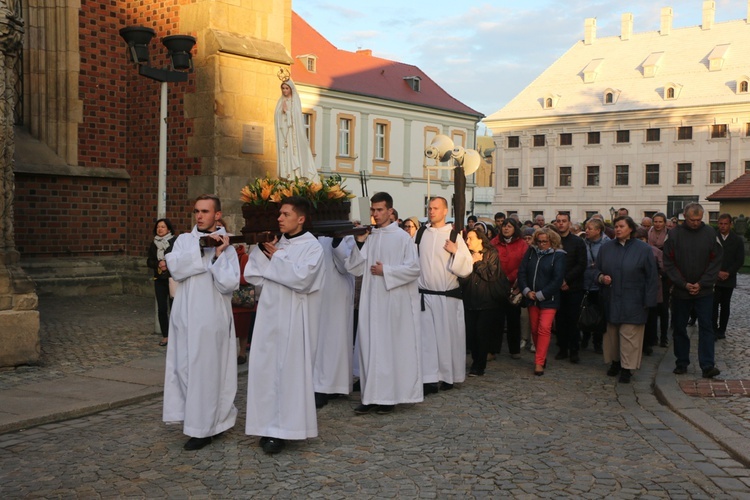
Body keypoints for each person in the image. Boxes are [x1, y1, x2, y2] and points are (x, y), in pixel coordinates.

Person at [245, 196, 325, 454]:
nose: (279, 218)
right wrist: (266, 254)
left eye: (285, 214)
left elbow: (303, 279)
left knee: (288, 373)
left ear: (300, 219)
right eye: (279, 213)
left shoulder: (313, 247)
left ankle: (285, 430)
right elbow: (253, 274)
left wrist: (278, 260)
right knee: (265, 370)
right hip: (269, 314)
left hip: (294, 317)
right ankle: (265, 426)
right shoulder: (272, 243)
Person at [163, 195, 239, 451]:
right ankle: (196, 419)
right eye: (196, 211)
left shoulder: (227, 245)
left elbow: (230, 283)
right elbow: (175, 267)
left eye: (205, 211)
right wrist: (199, 251)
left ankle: (205, 428)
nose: (199, 216)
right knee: (184, 368)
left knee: (207, 372)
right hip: (185, 315)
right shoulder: (185, 240)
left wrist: (216, 257)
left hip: (211, 318)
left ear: (217, 215)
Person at [346, 192, 422, 415]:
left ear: (390, 211)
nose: (375, 214)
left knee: (388, 349)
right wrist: (359, 244)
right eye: (372, 210)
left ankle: (387, 398)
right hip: (371, 302)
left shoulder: (402, 238)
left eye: (379, 210)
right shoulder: (370, 236)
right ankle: (370, 397)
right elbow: (355, 268)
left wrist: (385, 270)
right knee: (370, 347)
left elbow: (414, 269)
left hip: (392, 303)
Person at [417, 197, 472, 394]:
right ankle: (429, 379)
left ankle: (449, 376)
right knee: (427, 340)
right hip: (424, 296)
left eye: (436, 208)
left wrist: (456, 251)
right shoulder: (421, 233)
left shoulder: (454, 235)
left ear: (445, 211)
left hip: (447, 297)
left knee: (448, 338)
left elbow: (466, 267)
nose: (431, 211)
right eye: (429, 208)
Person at [663, 203, 723, 378]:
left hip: (704, 292)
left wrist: (702, 283)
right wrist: (683, 283)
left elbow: (716, 261)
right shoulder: (673, 235)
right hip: (681, 291)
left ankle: (707, 365)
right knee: (680, 327)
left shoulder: (711, 234)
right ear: (684, 216)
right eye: (692, 220)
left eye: (698, 219)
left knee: (707, 327)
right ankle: (681, 362)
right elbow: (668, 263)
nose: (696, 223)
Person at [596, 216, 658, 383]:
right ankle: (615, 363)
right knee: (612, 335)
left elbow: (652, 277)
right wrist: (601, 278)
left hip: (635, 300)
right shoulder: (606, 248)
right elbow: (595, 271)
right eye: (615, 226)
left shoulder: (643, 249)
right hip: (611, 298)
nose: (617, 229)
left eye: (621, 226)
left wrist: (649, 301)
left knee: (630, 336)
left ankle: (627, 368)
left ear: (630, 228)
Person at [313, 234, 356, 408]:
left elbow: (348, 265)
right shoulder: (310, 235)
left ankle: (331, 385)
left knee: (333, 339)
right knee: (320, 339)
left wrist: (337, 240)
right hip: (316, 291)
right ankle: (321, 384)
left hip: (336, 290)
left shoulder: (347, 235)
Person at [517, 227, 566, 376]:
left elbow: (557, 279)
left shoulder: (558, 256)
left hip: (548, 299)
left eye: (545, 242)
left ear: (552, 241)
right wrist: (526, 290)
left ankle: (539, 361)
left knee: (544, 328)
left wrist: (541, 294)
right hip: (531, 298)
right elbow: (522, 271)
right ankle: (541, 354)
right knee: (534, 329)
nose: (542, 244)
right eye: (539, 241)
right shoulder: (531, 252)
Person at [459, 228, 503, 376]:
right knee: (471, 334)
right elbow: (461, 278)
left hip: (486, 301)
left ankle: (479, 365)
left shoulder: (492, 253)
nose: (467, 241)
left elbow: (491, 275)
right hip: (469, 299)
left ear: (480, 239)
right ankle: (474, 360)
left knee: (481, 335)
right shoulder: (466, 254)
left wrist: (478, 263)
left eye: (471, 238)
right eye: (467, 238)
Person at [490, 219, 528, 359]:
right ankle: (493, 349)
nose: (506, 229)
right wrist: (498, 277)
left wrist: (511, 277)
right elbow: (489, 260)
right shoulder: (494, 242)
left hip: (514, 286)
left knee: (513, 320)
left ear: (515, 228)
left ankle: (514, 349)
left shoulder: (522, 244)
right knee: (496, 320)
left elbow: (524, 264)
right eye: (504, 226)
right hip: (496, 285)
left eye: (509, 226)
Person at [553, 212, 587, 364]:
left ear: (569, 223)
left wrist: (567, 280)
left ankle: (574, 350)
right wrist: (558, 281)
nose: (561, 224)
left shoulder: (578, 242)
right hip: (555, 287)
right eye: (558, 221)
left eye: (564, 221)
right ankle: (562, 348)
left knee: (572, 320)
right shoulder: (552, 241)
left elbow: (581, 264)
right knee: (559, 320)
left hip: (574, 287)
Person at [275, 79, 319, 182]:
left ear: (291, 89)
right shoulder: (280, 101)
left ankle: (295, 175)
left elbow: (297, 118)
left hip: (292, 134)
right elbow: (276, 116)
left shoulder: (295, 101)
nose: (284, 90)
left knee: (293, 152)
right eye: (283, 88)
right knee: (286, 152)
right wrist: (281, 113)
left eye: (286, 88)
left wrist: (287, 112)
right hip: (283, 133)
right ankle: (287, 175)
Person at [712, 214, 745, 340]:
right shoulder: (713, 237)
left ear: (730, 224)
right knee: (713, 305)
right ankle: (713, 329)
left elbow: (739, 260)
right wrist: (717, 272)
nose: (723, 226)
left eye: (725, 224)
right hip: (714, 277)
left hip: (729, 278)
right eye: (720, 223)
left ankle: (722, 330)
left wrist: (728, 272)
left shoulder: (737, 240)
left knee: (725, 305)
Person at [580, 218, 609, 354]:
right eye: (586, 228)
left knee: (599, 313)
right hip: (585, 282)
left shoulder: (607, 244)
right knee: (585, 310)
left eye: (590, 228)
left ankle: (598, 341)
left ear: (598, 230)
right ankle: (585, 337)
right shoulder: (582, 243)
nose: (586, 231)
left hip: (599, 284)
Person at [147, 218, 176, 347]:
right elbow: (149, 261)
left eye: (163, 227)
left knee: (175, 308)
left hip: (172, 279)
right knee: (162, 308)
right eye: (158, 227)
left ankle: (176, 335)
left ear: (168, 229)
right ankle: (166, 335)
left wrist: (168, 263)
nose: (160, 229)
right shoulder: (154, 244)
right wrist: (158, 263)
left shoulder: (174, 242)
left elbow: (179, 258)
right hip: (159, 279)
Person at [635, 227, 662, 356]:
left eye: (641, 239)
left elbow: (663, 269)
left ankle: (648, 343)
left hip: (651, 289)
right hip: (636, 290)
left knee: (650, 319)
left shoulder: (654, 251)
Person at [648, 212, 670, 347]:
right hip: (651, 273)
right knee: (652, 308)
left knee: (664, 308)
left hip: (664, 274)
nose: (657, 224)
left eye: (660, 222)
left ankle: (664, 337)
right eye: (655, 221)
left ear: (664, 223)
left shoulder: (669, 235)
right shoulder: (648, 233)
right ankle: (653, 336)